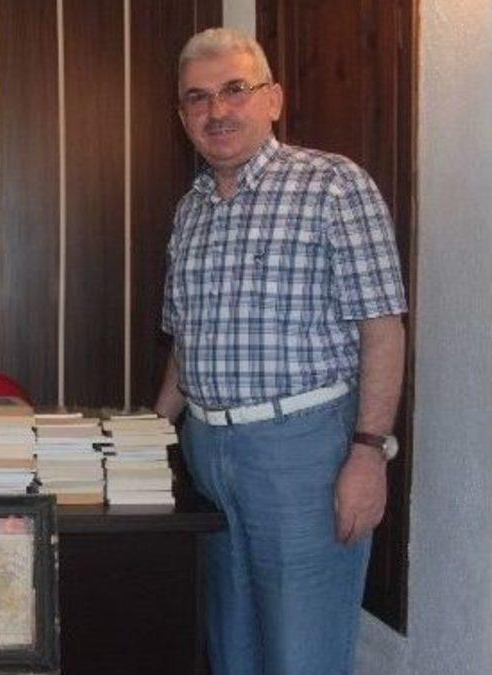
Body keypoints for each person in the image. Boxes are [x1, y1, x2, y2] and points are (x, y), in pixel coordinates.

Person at [154, 28, 406, 675]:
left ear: (274, 99)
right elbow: (186, 341)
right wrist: (151, 436)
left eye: (235, 89)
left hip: (304, 453)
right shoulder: (190, 211)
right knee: (232, 651)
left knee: (301, 656)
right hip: (208, 454)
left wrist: (368, 453)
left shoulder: (333, 185)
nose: (217, 110)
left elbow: (383, 327)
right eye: (198, 97)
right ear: (183, 117)